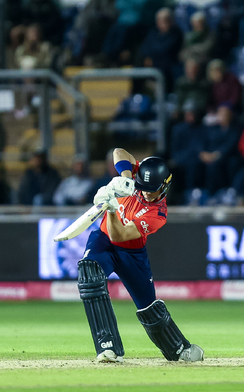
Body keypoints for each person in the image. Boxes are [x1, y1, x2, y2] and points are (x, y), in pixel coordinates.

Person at [77, 148, 204, 362]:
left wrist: (110, 207)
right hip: (103, 240)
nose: (145, 193)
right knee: (89, 273)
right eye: (142, 188)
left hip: (131, 252)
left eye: (151, 190)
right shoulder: (140, 178)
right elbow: (118, 152)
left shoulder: (158, 214)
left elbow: (121, 236)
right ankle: (108, 347)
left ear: (164, 187)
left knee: (148, 307)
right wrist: (125, 180)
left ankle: (179, 349)